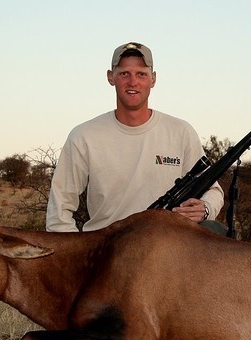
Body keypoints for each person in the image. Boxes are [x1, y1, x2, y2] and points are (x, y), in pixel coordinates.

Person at [46, 42, 224, 232]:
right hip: (107, 253)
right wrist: (81, 255)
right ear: (110, 77)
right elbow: (59, 211)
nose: (133, 82)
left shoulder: (181, 132)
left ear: (153, 79)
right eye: (124, 73)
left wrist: (204, 209)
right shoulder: (84, 136)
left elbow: (213, 191)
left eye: (141, 74)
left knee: (215, 231)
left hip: (168, 250)